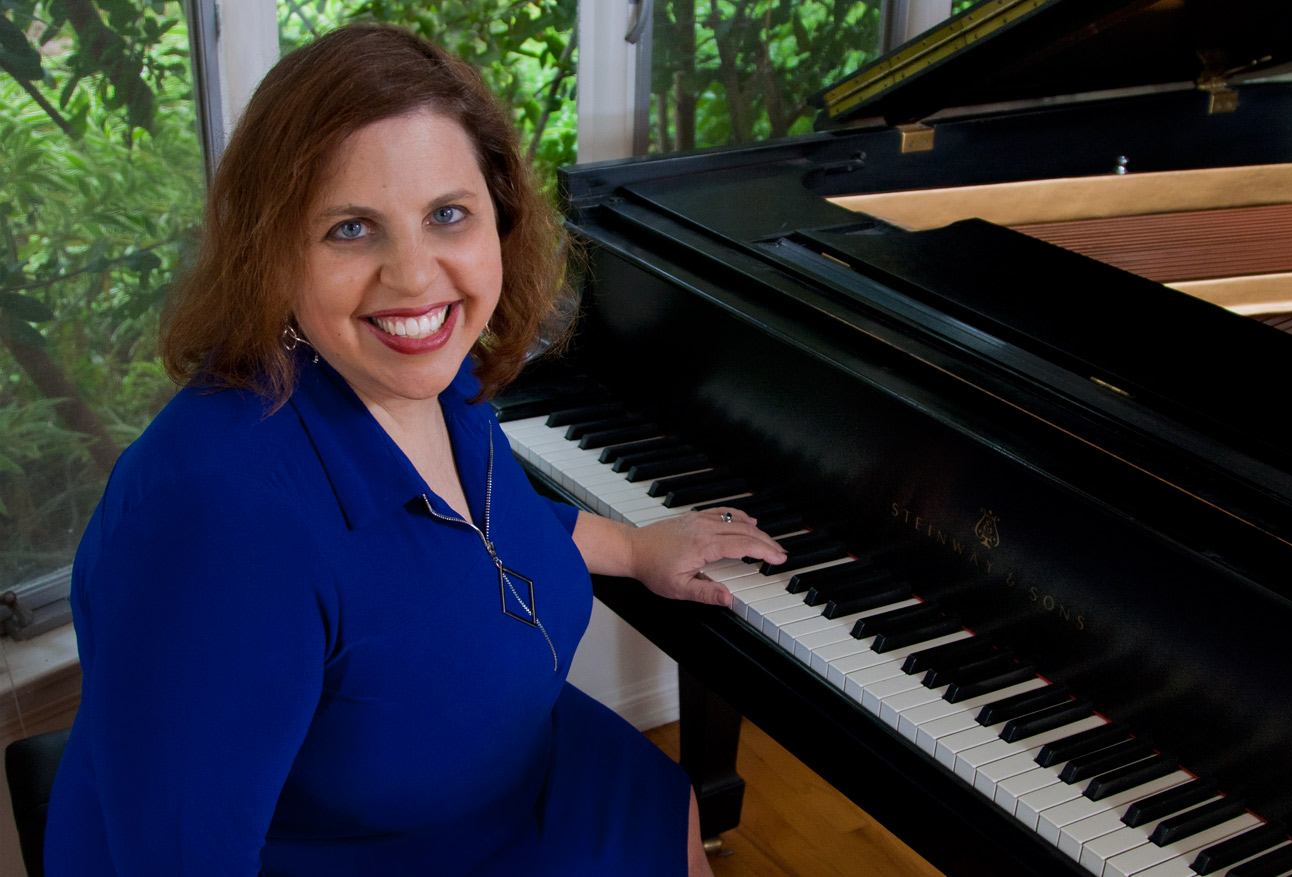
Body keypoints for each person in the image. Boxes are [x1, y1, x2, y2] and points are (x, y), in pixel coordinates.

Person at [44, 23, 786, 876]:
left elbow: (479, 525)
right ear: (273, 251)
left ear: (498, 218)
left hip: (507, 774)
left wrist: (634, 545)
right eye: (351, 229)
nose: (415, 277)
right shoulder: (219, 524)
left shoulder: (430, 375)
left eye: (446, 215)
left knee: (661, 797)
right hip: (368, 850)